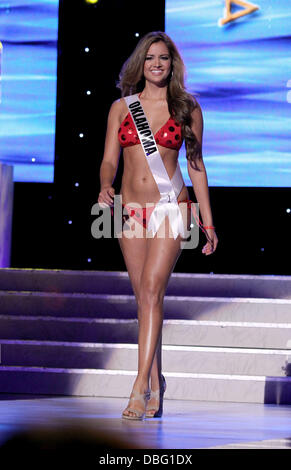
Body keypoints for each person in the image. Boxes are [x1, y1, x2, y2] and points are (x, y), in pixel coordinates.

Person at [98, 31, 218, 420]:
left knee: (152, 289)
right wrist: (104, 186)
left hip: (171, 207)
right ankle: (156, 381)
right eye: (150, 57)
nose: (156, 64)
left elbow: (196, 166)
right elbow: (109, 161)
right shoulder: (122, 107)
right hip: (127, 211)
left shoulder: (187, 107)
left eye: (163, 58)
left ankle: (139, 387)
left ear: (172, 64)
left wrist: (208, 221)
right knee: (143, 298)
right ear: (141, 63)